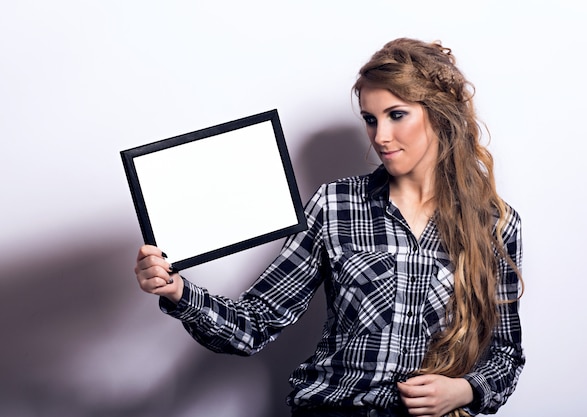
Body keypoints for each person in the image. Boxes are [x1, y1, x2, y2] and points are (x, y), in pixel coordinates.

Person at [134, 38, 524, 417]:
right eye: (370, 120)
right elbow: (255, 323)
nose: (380, 137)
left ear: (438, 114)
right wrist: (179, 292)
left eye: (396, 114)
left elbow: (506, 355)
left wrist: (465, 389)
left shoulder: (495, 224)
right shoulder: (335, 204)